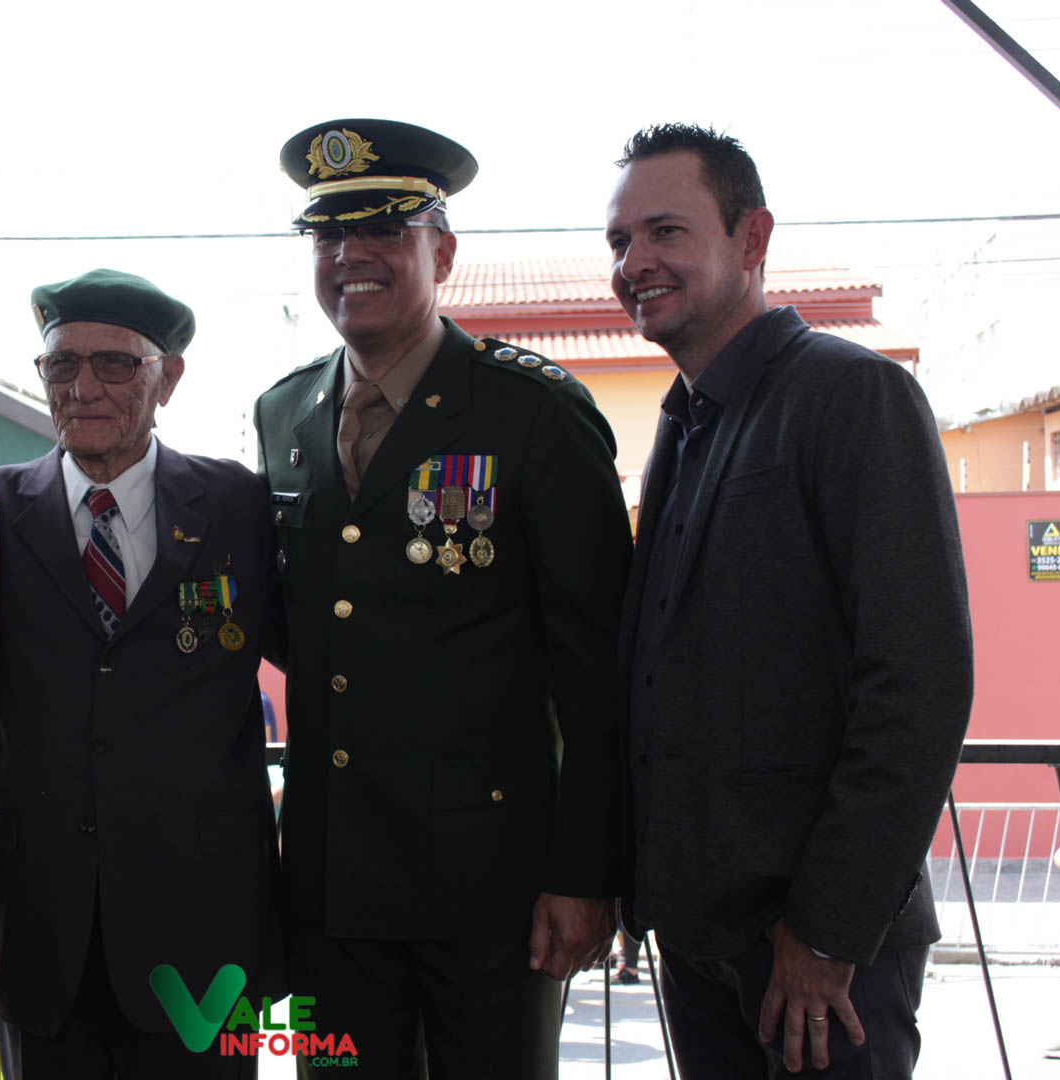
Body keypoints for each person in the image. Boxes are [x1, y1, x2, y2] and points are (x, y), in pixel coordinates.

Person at [254, 119, 631, 1078]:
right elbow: (308, 627)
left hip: (490, 893)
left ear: (444, 253)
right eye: (328, 235)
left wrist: (585, 874)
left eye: (384, 229)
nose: (351, 256)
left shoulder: (531, 411)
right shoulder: (284, 412)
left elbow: (598, 670)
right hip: (333, 890)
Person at [607, 124, 973, 1078]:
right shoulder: (682, 425)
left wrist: (827, 931)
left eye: (666, 231)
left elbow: (920, 683)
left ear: (753, 238)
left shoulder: (855, 396)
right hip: (701, 941)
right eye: (620, 241)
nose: (635, 263)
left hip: (816, 958)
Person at [0, 269, 282, 1079]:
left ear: (167, 378)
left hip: (203, 932)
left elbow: (324, 655)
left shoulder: (239, 505)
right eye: (61, 364)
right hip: (43, 927)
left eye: (114, 363)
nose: (83, 388)